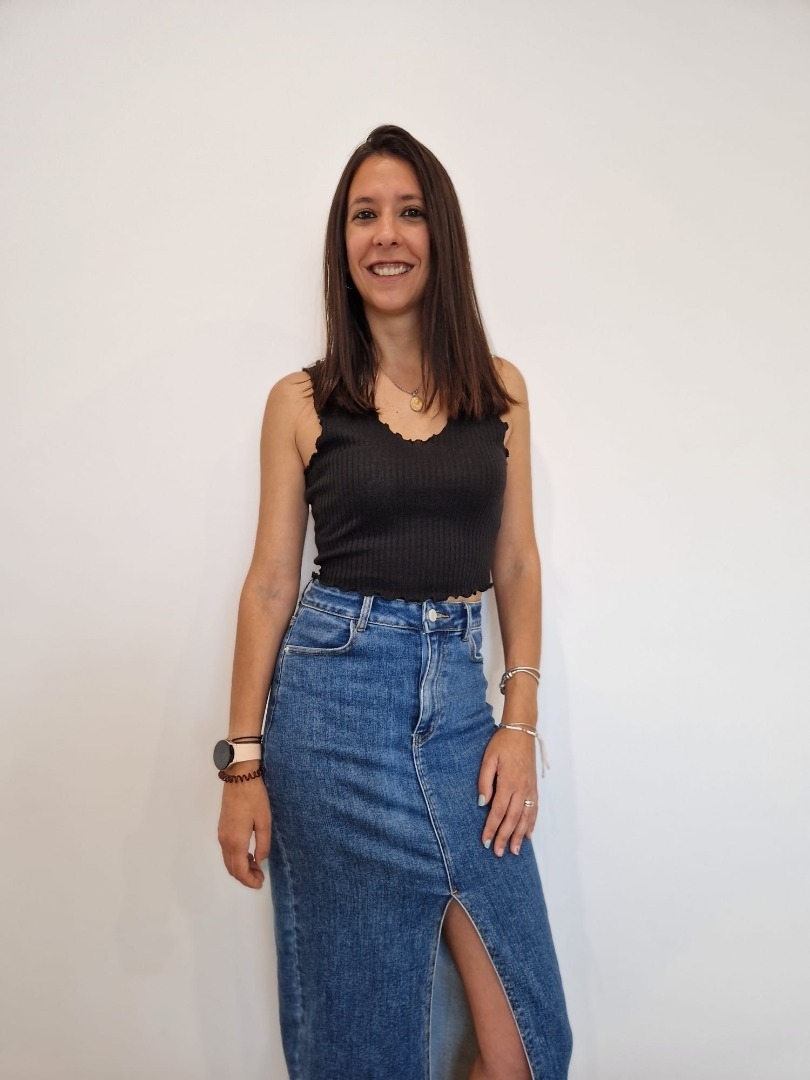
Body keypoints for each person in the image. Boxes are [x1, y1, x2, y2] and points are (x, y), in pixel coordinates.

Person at [216, 124, 572, 1080]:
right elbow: (270, 583)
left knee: (527, 1048)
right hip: (331, 719)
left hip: (461, 715)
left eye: (408, 212)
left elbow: (517, 562)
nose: (386, 235)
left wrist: (519, 722)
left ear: (438, 233)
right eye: (364, 215)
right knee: (362, 1052)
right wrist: (241, 768)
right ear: (342, 243)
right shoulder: (301, 402)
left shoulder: (500, 390)